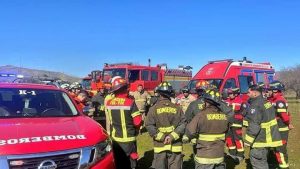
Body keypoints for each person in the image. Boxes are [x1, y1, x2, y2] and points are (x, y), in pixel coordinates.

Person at [185, 89, 232, 169]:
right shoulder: (224, 117)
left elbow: (190, 132)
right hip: (219, 156)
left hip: (204, 157)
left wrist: (195, 137)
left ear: (207, 102)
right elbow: (228, 132)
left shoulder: (201, 115)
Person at [145, 82, 186, 169]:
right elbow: (183, 124)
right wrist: (171, 136)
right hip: (175, 146)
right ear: (170, 93)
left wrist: (163, 137)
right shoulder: (177, 108)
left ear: (159, 93)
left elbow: (149, 125)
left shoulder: (153, 109)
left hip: (160, 146)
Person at [106, 77, 142, 169]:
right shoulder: (130, 102)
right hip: (129, 139)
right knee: (131, 162)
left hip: (115, 140)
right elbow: (137, 122)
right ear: (125, 88)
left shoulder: (109, 103)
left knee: (119, 162)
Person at [244, 84, 283, 169]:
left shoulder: (255, 106)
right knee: (263, 161)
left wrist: (247, 141)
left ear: (254, 93)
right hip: (268, 139)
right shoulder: (266, 102)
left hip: (260, 140)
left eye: (248, 92)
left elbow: (254, 125)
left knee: (258, 162)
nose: (247, 94)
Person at [267, 81, 293, 168]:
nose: (268, 92)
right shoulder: (274, 100)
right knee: (275, 148)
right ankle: (276, 164)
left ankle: (284, 166)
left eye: (269, 90)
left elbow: (285, 117)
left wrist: (288, 124)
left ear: (275, 90)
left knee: (280, 149)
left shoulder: (279, 101)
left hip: (281, 129)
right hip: (276, 128)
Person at [224, 88, 245, 163]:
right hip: (228, 124)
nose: (229, 95)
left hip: (237, 124)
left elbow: (244, 113)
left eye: (231, 94)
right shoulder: (227, 101)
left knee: (238, 139)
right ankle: (232, 153)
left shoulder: (242, 102)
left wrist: (234, 117)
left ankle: (240, 155)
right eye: (229, 94)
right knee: (229, 139)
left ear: (236, 94)